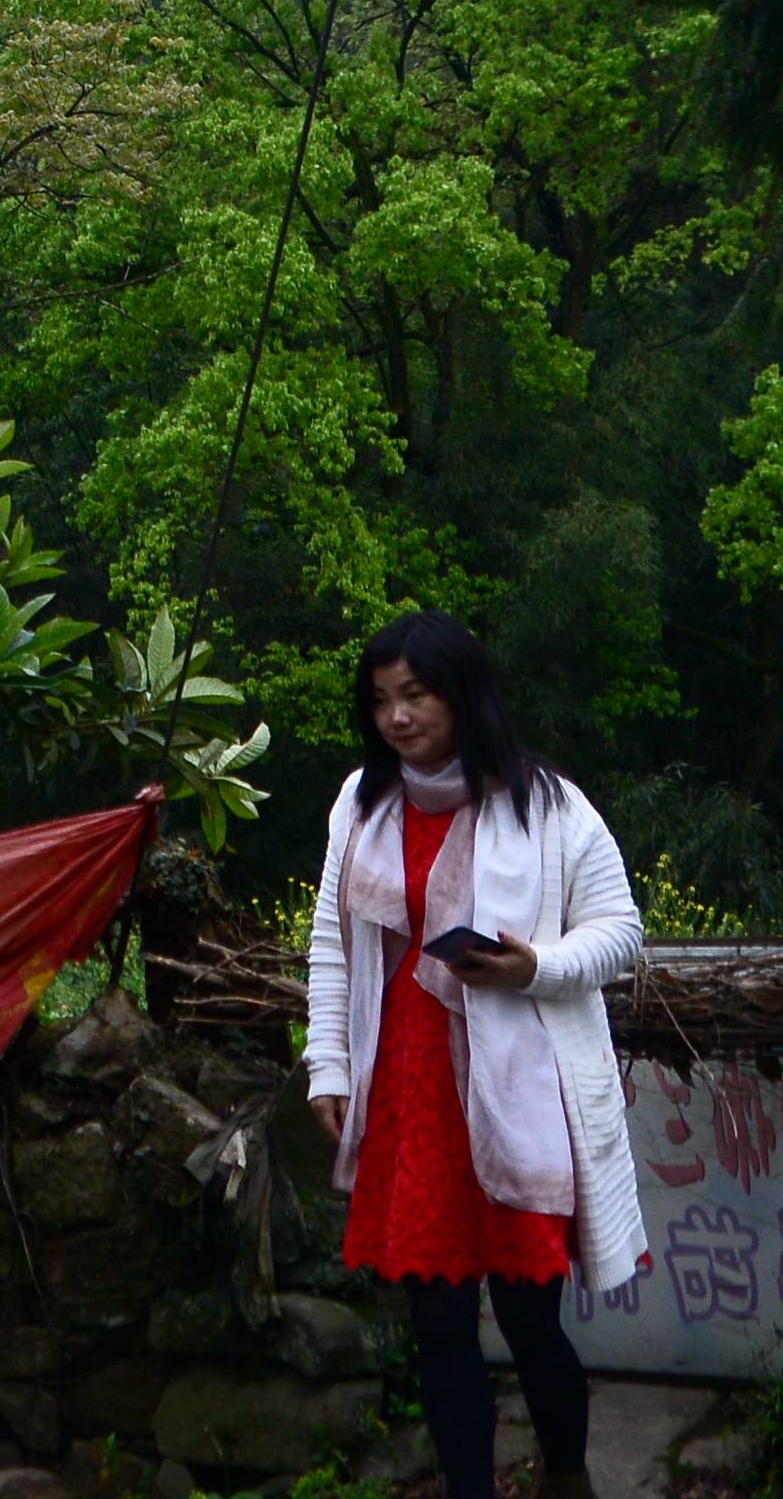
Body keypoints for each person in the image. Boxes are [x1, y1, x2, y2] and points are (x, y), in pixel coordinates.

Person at [304, 610, 644, 1499]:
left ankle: (567, 1478)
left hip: (518, 1093)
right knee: (440, 1326)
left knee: (533, 1323)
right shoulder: (361, 804)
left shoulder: (549, 805)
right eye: (380, 700)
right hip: (413, 1100)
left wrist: (534, 965)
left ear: (463, 694)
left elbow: (621, 932)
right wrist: (329, 1065)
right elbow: (332, 945)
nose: (397, 718)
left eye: (415, 695)